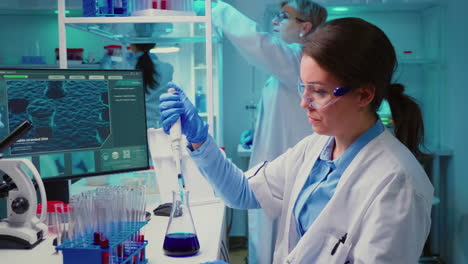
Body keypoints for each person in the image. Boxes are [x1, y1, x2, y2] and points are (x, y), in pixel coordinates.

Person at [159, 17, 434, 263]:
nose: (304, 103)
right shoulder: (316, 148)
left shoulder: (399, 185)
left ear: (363, 95)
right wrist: (199, 140)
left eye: (319, 92)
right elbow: (241, 192)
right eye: (303, 87)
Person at [210, 1, 327, 262]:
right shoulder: (290, 64)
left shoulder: (299, 59)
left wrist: (216, 8)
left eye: (284, 17)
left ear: (304, 28)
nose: (275, 21)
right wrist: (259, 132)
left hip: (287, 179)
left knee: (278, 245)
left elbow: (257, 42)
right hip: (277, 172)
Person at [101, 43, 174, 129]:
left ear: (132, 46)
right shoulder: (167, 67)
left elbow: (104, 81)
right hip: (158, 125)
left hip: (133, 126)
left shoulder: (125, 67)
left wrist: (106, 61)